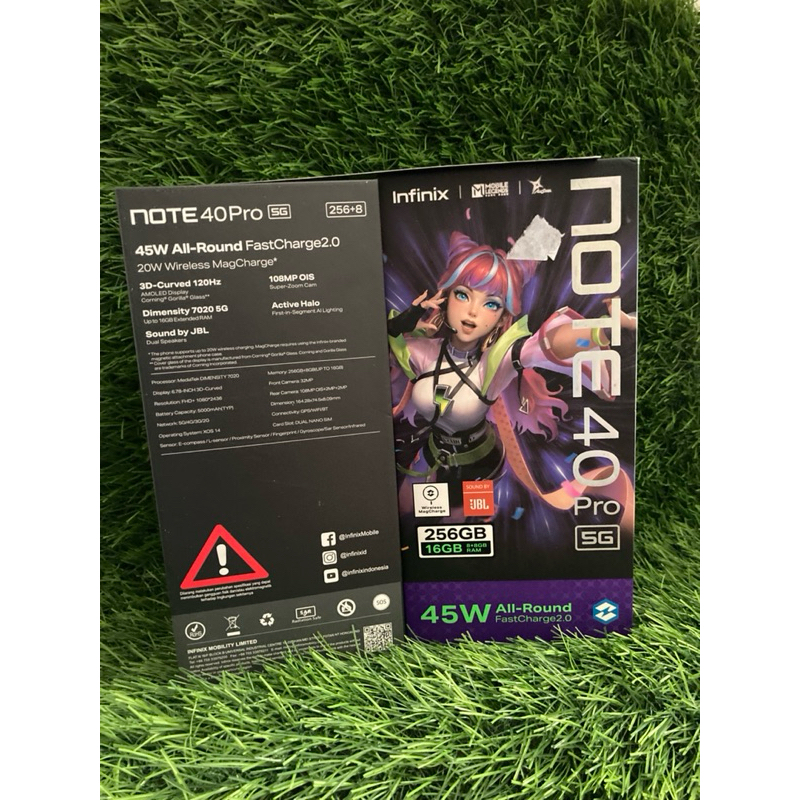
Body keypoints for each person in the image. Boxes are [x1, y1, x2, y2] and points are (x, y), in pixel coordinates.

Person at [387, 230, 635, 528]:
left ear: (503, 316)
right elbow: (385, 339)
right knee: (405, 512)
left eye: (491, 303)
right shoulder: (423, 352)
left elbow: (551, 343)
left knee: (463, 524)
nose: (472, 312)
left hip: (480, 467)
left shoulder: (496, 361)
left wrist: (604, 328)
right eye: (463, 295)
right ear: (446, 297)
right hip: (432, 456)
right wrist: (412, 313)